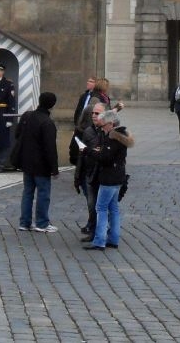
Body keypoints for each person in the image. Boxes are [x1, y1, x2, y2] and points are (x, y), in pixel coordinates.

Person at [83, 110, 133, 251]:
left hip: (109, 178)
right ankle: (113, 239)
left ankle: (99, 241)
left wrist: (88, 151)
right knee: (113, 209)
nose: (101, 128)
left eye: (103, 125)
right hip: (118, 176)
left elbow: (105, 158)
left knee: (101, 208)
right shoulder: (121, 136)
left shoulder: (112, 138)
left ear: (111, 124)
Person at [15, 91, 60, 233]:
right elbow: (50, 148)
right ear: (52, 105)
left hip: (26, 162)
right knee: (43, 194)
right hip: (41, 165)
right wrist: (54, 169)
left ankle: (24, 222)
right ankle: (41, 223)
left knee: (27, 193)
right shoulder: (47, 123)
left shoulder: (27, 116)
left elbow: (17, 134)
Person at [74, 102, 106, 240]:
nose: (93, 115)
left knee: (103, 207)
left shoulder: (108, 131)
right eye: (93, 113)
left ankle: (102, 232)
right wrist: (77, 175)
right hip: (90, 173)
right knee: (91, 204)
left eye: (97, 113)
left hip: (104, 174)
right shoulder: (88, 131)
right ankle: (93, 231)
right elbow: (82, 154)